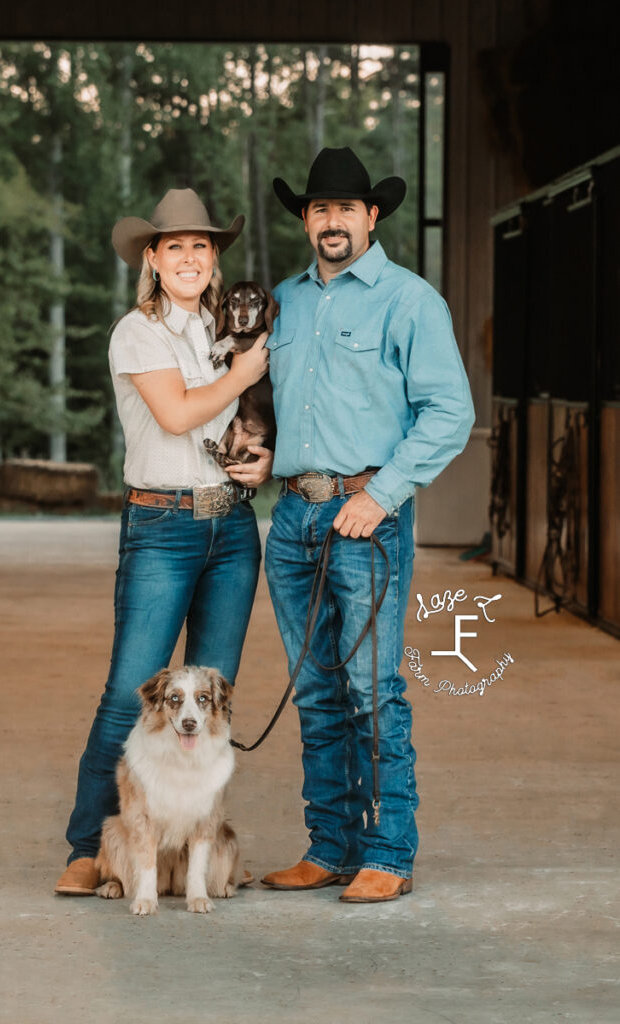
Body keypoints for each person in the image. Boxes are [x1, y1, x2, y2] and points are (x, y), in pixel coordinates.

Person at [256, 147, 475, 903]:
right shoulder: (284, 301)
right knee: (315, 691)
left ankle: (388, 851)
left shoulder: (409, 301)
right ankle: (329, 845)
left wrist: (380, 496)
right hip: (290, 520)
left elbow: (449, 412)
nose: (331, 221)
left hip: (365, 520)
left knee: (370, 690)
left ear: (371, 217)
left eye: (345, 208)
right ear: (307, 220)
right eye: (319, 209)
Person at [55, 188, 272, 895]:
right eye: (173, 245)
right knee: (130, 694)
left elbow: (252, 419)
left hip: (232, 525)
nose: (188, 257)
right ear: (152, 258)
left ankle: (189, 856)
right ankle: (88, 847)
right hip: (161, 527)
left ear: (214, 263)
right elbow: (177, 415)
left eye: (200, 246)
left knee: (206, 702)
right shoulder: (136, 332)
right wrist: (240, 375)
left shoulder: (230, 327)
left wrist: (266, 459)